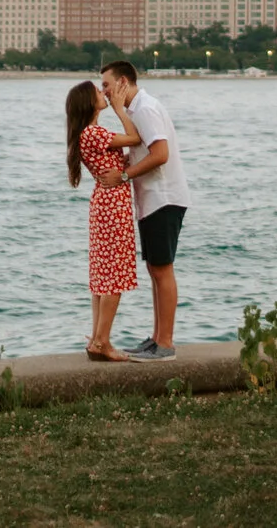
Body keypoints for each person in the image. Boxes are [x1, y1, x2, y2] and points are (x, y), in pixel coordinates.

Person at [102, 59, 188, 361]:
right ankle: (156, 338)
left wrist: (125, 175)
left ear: (124, 82)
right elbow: (146, 150)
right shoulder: (137, 110)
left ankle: (165, 343)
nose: (105, 93)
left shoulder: (146, 108)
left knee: (162, 270)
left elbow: (161, 154)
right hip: (152, 200)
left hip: (163, 198)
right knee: (155, 269)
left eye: (107, 86)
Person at [65, 79, 143, 361]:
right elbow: (135, 138)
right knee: (114, 276)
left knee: (103, 276)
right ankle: (102, 342)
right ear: (89, 102)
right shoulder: (94, 133)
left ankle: (98, 339)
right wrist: (121, 110)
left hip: (105, 202)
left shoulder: (87, 134)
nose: (104, 93)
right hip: (112, 205)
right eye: (98, 92)